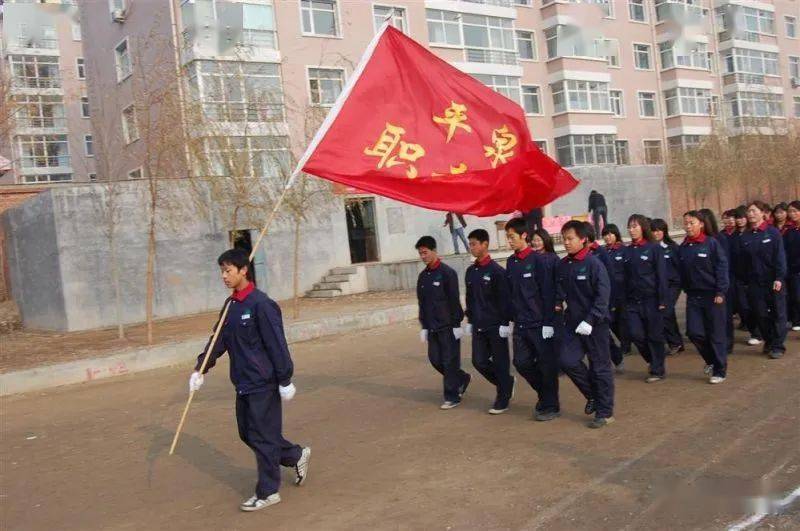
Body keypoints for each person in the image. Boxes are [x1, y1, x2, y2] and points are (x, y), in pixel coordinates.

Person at [189, 248, 310, 512]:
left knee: (264, 438)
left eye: (228, 270)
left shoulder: (261, 304)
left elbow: (277, 345)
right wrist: (200, 369)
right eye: (222, 270)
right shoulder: (231, 305)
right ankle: (295, 455)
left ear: (244, 270)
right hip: (242, 383)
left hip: (263, 383)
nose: (224, 276)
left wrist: (284, 378)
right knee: (248, 434)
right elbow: (218, 340)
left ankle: (267, 492)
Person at [556, 220, 615, 429]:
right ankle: (592, 395)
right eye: (564, 239)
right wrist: (557, 305)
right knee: (567, 360)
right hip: (573, 323)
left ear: (583, 239)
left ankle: (605, 412)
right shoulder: (563, 265)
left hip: (595, 324)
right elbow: (559, 291)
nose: (566, 243)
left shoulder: (594, 264)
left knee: (600, 367)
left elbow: (603, 296)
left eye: (570, 238)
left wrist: (591, 320)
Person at [505, 218, 560, 421]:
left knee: (547, 365)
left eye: (512, 237)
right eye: (507, 237)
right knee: (521, 362)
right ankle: (544, 394)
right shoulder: (511, 262)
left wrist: (548, 322)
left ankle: (552, 405)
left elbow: (547, 293)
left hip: (539, 323)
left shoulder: (539, 261)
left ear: (524, 236)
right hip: (520, 323)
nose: (509, 241)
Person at [415, 236, 471, 409]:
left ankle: (452, 396)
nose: (423, 256)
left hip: (448, 326)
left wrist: (456, 324)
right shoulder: (423, 277)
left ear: (434, 251)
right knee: (435, 359)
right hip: (432, 326)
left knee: (449, 361)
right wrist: (424, 326)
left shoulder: (447, 273)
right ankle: (461, 378)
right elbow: (422, 303)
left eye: (425, 252)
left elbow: (454, 300)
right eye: (420, 253)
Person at [464, 229, 515, 415]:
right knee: (479, 361)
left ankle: (503, 397)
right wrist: (469, 318)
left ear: (485, 244)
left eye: (474, 244)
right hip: (478, 324)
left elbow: (504, 299)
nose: (471, 248)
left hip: (495, 325)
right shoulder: (471, 271)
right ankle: (506, 382)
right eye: (470, 244)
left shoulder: (497, 272)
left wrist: (505, 322)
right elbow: (470, 298)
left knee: (501, 362)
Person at [678, 211, 730, 384]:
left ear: (701, 224)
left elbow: (721, 268)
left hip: (713, 295)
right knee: (694, 332)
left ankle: (720, 370)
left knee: (716, 334)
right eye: (685, 223)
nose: (688, 226)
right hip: (694, 296)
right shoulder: (684, 247)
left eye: (691, 223)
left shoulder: (711, 244)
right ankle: (711, 360)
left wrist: (720, 292)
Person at [739, 201, 788, 359]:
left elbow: (780, 257)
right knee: (760, 314)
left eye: (753, 211)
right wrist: (745, 282)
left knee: (778, 314)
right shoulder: (745, 236)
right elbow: (743, 262)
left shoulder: (772, 233)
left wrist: (779, 278)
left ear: (763, 213)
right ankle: (769, 340)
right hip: (754, 283)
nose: (750, 214)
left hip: (773, 281)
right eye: (749, 211)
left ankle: (778, 346)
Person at [623, 214, 669, 383]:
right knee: (636, 335)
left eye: (635, 226)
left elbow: (661, 276)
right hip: (633, 301)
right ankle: (653, 360)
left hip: (652, 300)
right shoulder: (627, 250)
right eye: (629, 227)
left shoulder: (654, 248)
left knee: (655, 336)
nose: (631, 230)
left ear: (643, 227)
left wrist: (663, 300)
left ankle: (657, 369)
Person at [651, 219, 685, 356]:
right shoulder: (650, 248)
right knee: (663, 314)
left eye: (659, 230)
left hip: (672, 285)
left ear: (664, 231)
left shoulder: (672, 248)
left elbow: (680, 267)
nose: (656, 233)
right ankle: (675, 342)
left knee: (666, 311)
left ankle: (675, 342)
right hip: (657, 286)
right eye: (654, 230)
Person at [733, 206, 762, 344]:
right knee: (744, 307)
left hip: (755, 277)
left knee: (757, 307)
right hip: (738, 277)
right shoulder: (733, 236)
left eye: (742, 217)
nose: (740, 220)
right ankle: (754, 331)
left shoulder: (754, 233)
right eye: (737, 218)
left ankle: (760, 332)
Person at [602, 224, 629, 370]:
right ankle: (624, 342)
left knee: (623, 319)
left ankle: (626, 344)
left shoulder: (623, 250)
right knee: (612, 321)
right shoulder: (603, 252)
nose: (608, 237)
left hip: (623, 291)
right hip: (610, 293)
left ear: (616, 235)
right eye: (605, 234)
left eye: (610, 234)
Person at [718, 210, 739, 355]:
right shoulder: (722, 235)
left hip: (738, 276)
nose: (728, 221)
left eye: (731, 218)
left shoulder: (740, 234)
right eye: (725, 218)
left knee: (744, 305)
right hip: (726, 278)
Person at [785, 201, 800, 332]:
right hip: (793, 270)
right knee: (795, 296)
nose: (792, 214)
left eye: (795, 211)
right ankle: (796, 319)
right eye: (790, 211)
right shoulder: (789, 230)